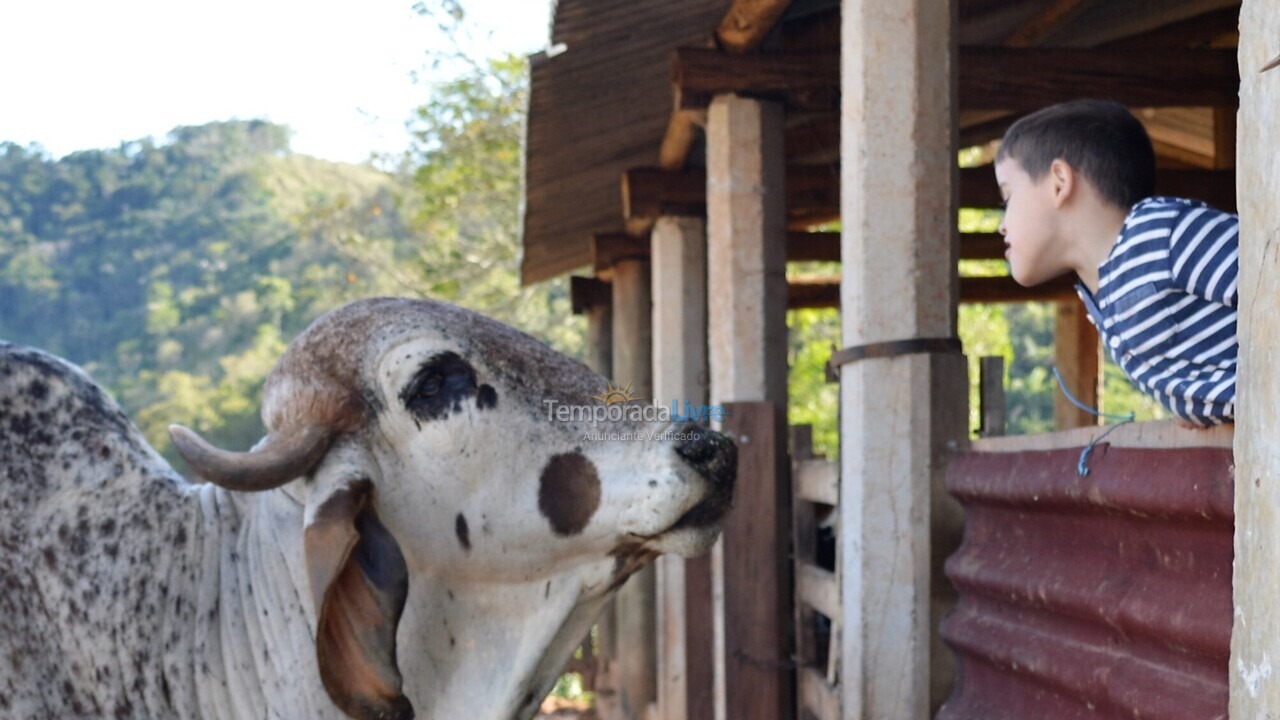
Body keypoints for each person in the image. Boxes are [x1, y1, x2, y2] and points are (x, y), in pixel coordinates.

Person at [994, 99, 1238, 426]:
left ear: (1059, 183)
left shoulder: (1163, 233)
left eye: (1008, 198)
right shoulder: (1102, 295)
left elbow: (1270, 275)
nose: (1002, 224)